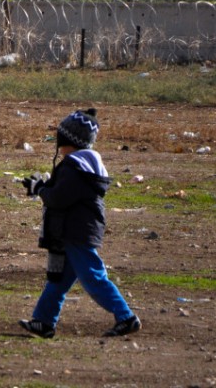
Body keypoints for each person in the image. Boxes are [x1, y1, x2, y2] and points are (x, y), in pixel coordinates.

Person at [20, 108, 141, 338]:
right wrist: (45, 187)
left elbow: (59, 198)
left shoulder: (74, 167)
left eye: (60, 141)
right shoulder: (83, 167)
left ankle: (126, 316)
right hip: (75, 230)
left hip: (76, 232)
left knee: (94, 277)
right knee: (59, 280)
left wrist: (40, 189)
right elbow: (64, 193)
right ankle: (44, 322)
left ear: (70, 141)